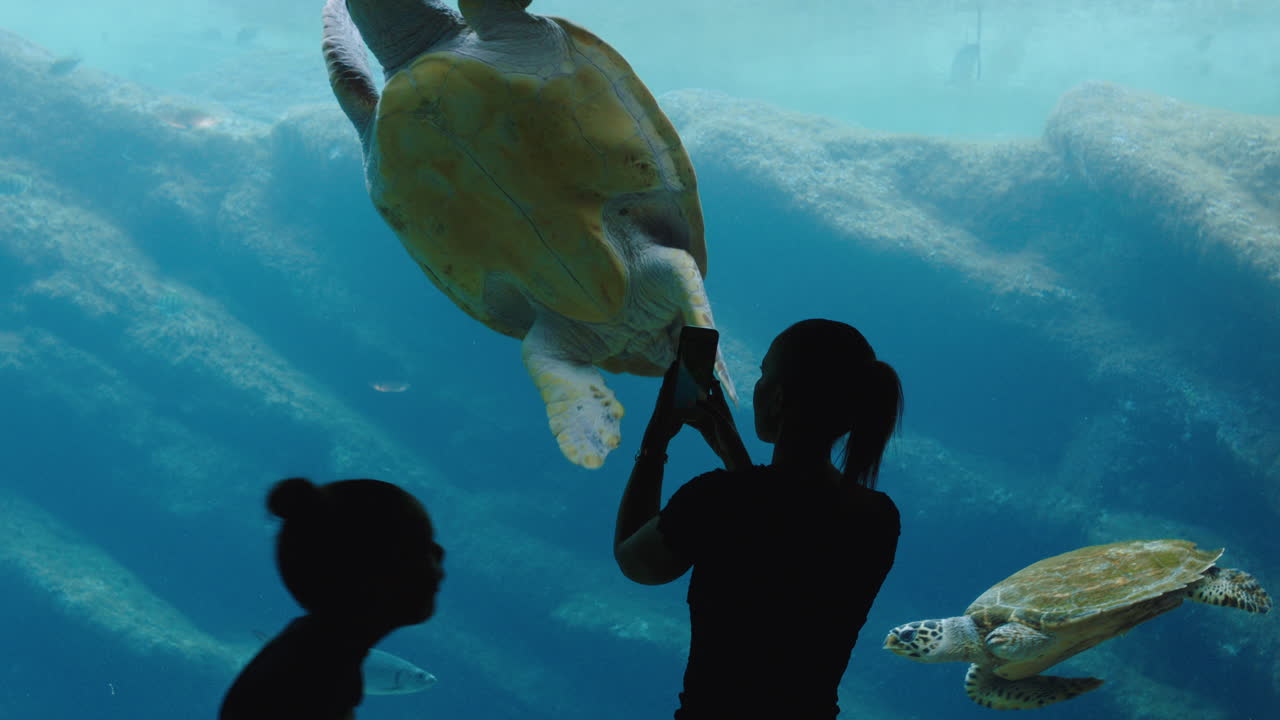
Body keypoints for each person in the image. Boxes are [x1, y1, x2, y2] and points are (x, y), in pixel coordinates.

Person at [614, 319, 903, 719]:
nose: (758, 384)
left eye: (764, 373)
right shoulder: (878, 519)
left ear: (778, 399)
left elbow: (635, 562)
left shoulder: (718, 498)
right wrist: (737, 462)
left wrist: (655, 441)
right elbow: (780, 536)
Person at [220, 477, 445, 720]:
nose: (440, 554)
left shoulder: (316, 655)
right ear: (371, 572)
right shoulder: (313, 680)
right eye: (423, 546)